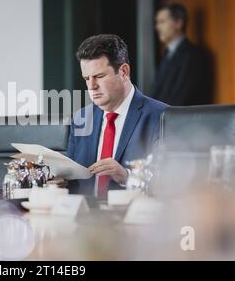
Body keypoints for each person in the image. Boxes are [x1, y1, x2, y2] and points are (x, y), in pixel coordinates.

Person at [67, 34, 168, 197]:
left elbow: (170, 183)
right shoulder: (81, 119)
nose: (92, 86)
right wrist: (58, 181)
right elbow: (72, 180)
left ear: (123, 72)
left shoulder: (162, 117)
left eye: (99, 76)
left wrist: (127, 176)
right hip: (85, 218)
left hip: (135, 217)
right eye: (87, 78)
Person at [151, 3, 213, 106]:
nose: (157, 27)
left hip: (180, 119)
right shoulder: (166, 54)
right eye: (157, 22)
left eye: (162, 22)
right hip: (162, 117)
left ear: (178, 23)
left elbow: (180, 98)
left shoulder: (192, 55)